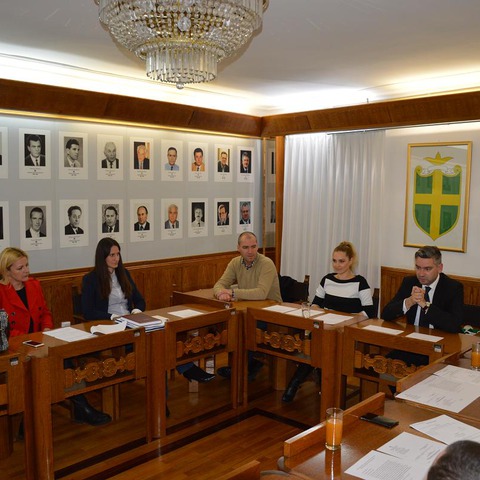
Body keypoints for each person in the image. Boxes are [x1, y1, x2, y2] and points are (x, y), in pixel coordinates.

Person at [0, 247, 111, 426]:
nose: (26, 270)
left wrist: (46, 328)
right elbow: (3, 330)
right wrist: (30, 339)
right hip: (15, 348)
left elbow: (45, 312)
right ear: (7, 271)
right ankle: (32, 419)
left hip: (40, 341)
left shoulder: (33, 285)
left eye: (27, 265)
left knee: (63, 359)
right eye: (20, 268)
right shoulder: (1, 292)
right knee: (41, 368)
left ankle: (80, 407)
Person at [82, 238, 213, 383]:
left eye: (118, 254)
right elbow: (88, 311)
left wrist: (137, 311)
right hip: (111, 325)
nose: (116, 258)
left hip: (131, 322)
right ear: (102, 257)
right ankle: (187, 370)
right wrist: (112, 316)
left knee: (160, 338)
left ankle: (185, 371)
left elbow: (140, 300)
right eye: (112, 255)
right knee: (155, 348)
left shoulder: (123, 273)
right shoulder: (91, 279)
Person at [282, 241, 374, 402]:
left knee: (319, 347)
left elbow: (369, 312)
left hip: (347, 330)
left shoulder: (360, 282)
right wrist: (318, 314)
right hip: (326, 327)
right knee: (315, 344)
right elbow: (316, 304)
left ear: (351, 260)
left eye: (341, 261)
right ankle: (304, 383)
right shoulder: (327, 279)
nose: (337, 265)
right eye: (334, 261)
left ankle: (296, 383)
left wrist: (346, 322)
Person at [213, 232, 282, 380]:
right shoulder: (235, 262)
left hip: (271, 314)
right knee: (229, 324)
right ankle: (244, 365)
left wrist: (232, 292)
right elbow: (219, 284)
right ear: (238, 248)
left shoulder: (266, 263)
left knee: (243, 327)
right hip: (248, 310)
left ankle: (243, 367)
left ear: (258, 246)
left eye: (253, 246)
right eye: (245, 247)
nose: (250, 251)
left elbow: (261, 293)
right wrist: (220, 294)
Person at [381, 246, 463, 333]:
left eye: (427, 269)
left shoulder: (452, 287)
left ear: (439, 268)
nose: (421, 274)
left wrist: (425, 305)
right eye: (418, 267)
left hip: (440, 338)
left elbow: (454, 325)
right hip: (412, 337)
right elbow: (385, 314)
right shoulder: (409, 282)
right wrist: (409, 301)